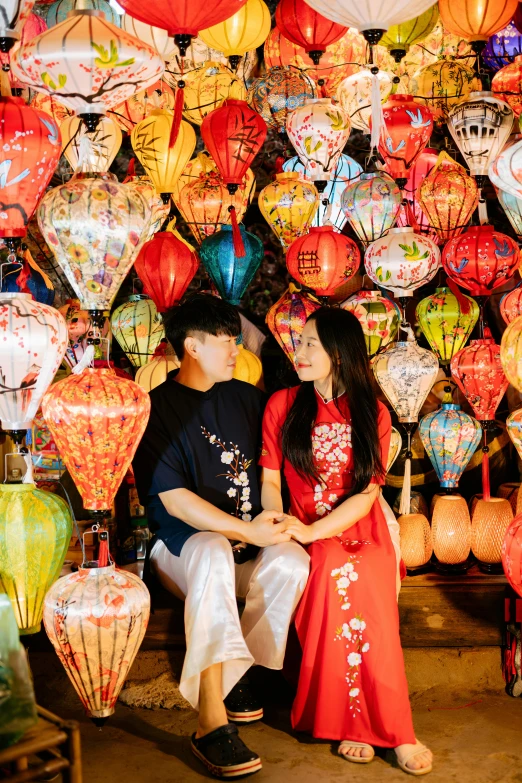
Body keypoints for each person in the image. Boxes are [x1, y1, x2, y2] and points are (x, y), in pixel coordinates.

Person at [133, 294, 309, 780]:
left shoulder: (248, 397)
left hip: (246, 548)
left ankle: (237, 673)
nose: (237, 350)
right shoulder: (156, 411)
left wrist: (274, 525)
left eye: (236, 340)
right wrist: (244, 529)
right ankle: (210, 721)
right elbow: (175, 501)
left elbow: (276, 469)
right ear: (191, 346)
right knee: (210, 549)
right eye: (226, 341)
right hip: (182, 554)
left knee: (293, 561)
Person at [259, 307, 433, 777]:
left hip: (359, 526)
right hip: (302, 526)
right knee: (333, 569)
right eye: (300, 342)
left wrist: (319, 530)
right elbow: (271, 479)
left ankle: (396, 730)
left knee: (368, 581)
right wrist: (277, 521)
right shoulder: (282, 404)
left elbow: (368, 494)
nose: (300, 350)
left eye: (311, 342)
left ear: (339, 352)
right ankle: (354, 721)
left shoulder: (370, 411)